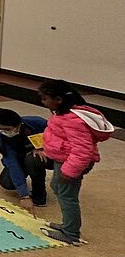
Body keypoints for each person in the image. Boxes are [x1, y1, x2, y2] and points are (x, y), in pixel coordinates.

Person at [38, 80, 113, 245]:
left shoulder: (72, 120)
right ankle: (67, 225)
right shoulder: (61, 113)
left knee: (67, 196)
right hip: (63, 160)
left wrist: (70, 171)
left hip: (70, 163)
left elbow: (82, 150)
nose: (42, 102)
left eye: (44, 98)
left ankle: (71, 234)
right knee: (57, 188)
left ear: (58, 99)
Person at [0, 108, 50, 211]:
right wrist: (24, 195)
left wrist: (42, 148)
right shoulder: (1, 137)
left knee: (32, 160)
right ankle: (26, 175)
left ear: (18, 125)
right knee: (7, 182)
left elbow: (59, 137)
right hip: (22, 159)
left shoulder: (37, 123)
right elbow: (12, 163)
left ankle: (39, 194)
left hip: (49, 155)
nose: (3, 132)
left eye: (7, 129)